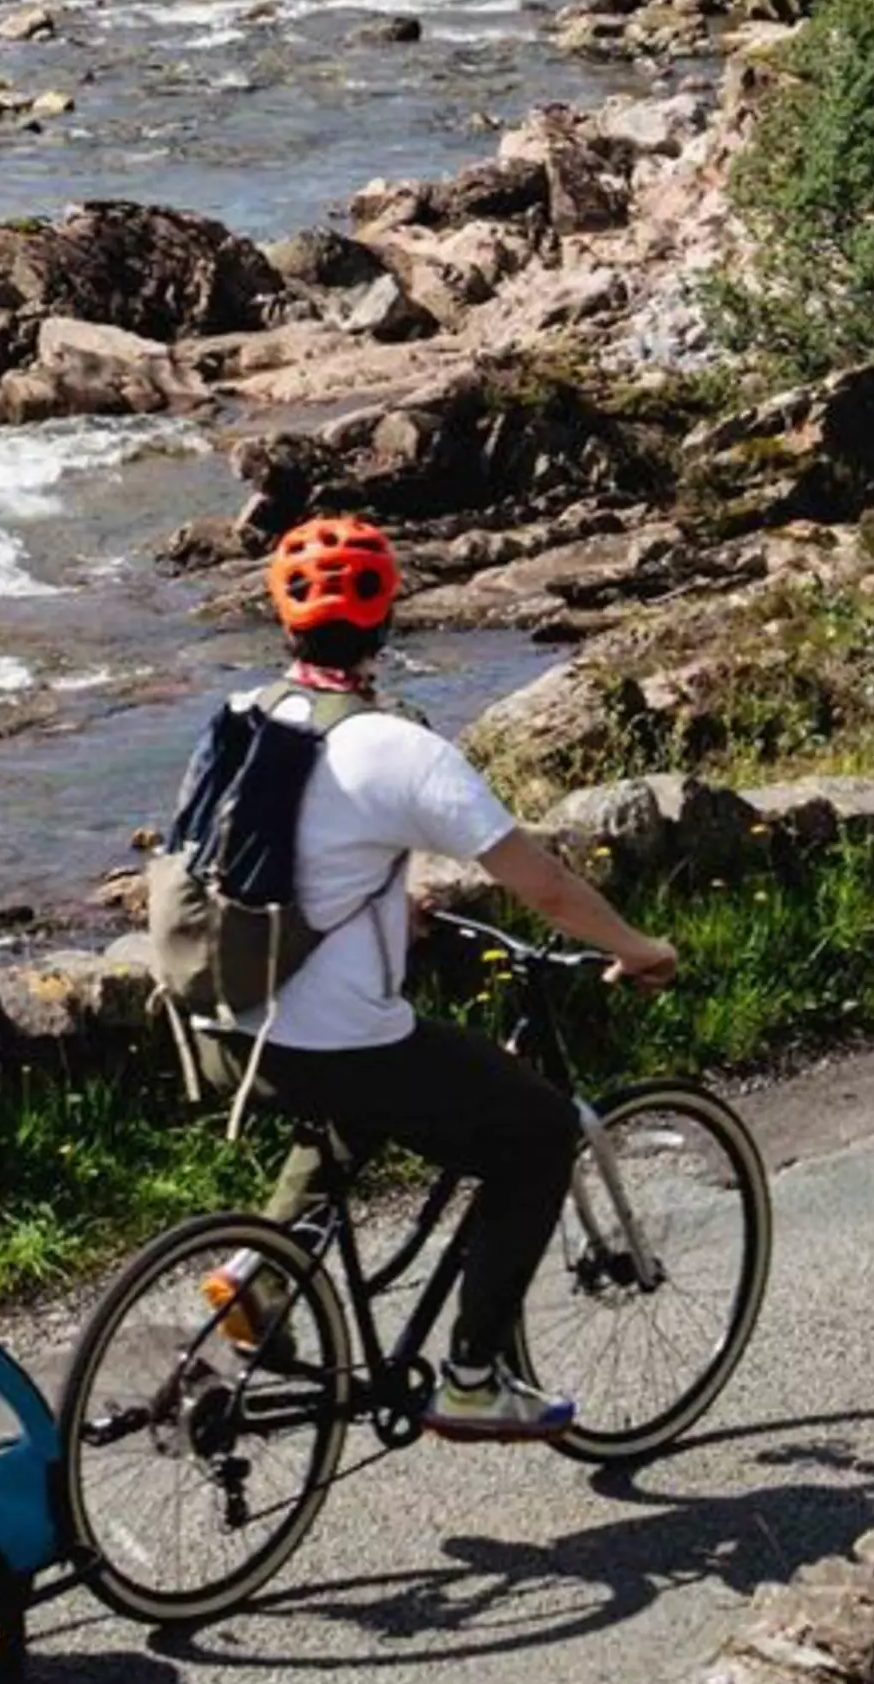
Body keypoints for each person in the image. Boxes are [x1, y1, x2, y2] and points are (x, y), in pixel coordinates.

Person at [242, 513, 678, 1441]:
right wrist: (638, 947)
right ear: (386, 618)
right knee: (538, 1134)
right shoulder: (396, 749)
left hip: (230, 1020)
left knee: (372, 1088)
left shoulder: (245, 719)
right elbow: (549, 889)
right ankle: (473, 1377)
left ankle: (261, 1274)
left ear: (282, 622)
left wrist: (391, 905)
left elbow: (279, 862)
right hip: (332, 1035)